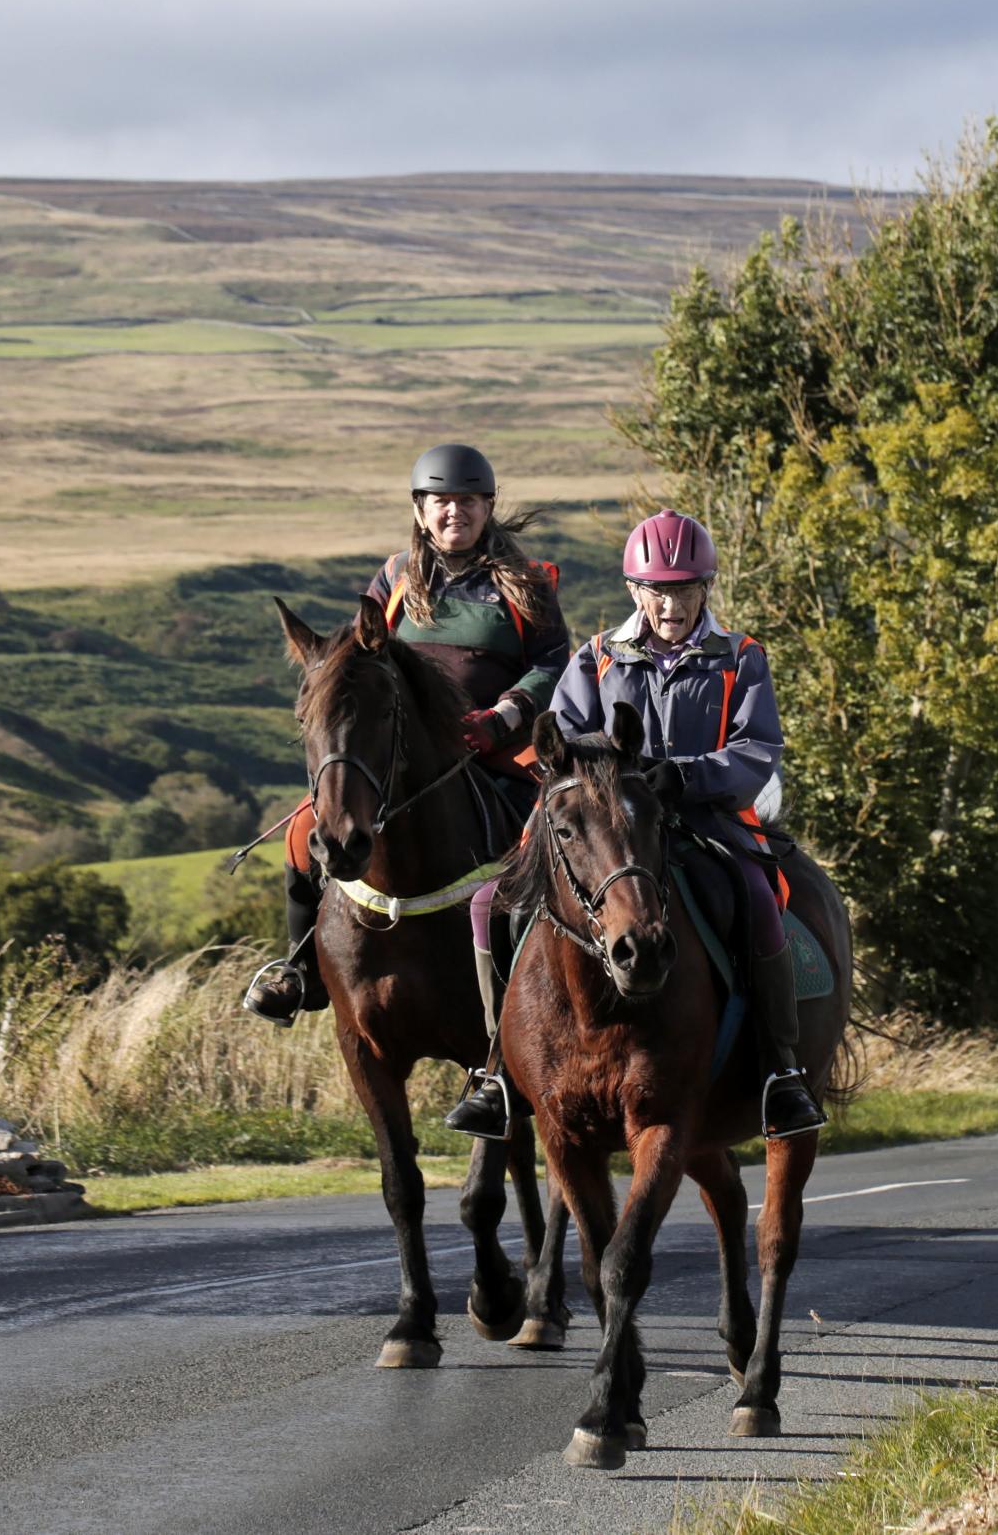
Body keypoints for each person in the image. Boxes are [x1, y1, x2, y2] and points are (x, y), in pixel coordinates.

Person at [443, 507, 826, 1140]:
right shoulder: (597, 657)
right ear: (635, 591)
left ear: (706, 588)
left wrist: (684, 777)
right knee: (491, 904)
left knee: (759, 898)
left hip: (706, 817)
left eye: (684, 589)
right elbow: (560, 736)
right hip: (613, 826)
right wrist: (608, 776)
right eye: (657, 590)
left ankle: (779, 1074)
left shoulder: (740, 657)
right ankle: (496, 1074)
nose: (671, 604)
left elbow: (757, 749)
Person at [243, 443, 568, 1024]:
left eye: (467, 501)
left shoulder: (526, 582)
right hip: (410, 745)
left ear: (487, 507)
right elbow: (362, 655)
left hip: (495, 737)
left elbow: (552, 661)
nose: (454, 513)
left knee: (553, 825)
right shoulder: (395, 576)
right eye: (441, 501)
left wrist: (505, 716)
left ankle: (552, 966)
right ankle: (300, 969)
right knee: (302, 835)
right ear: (421, 510)